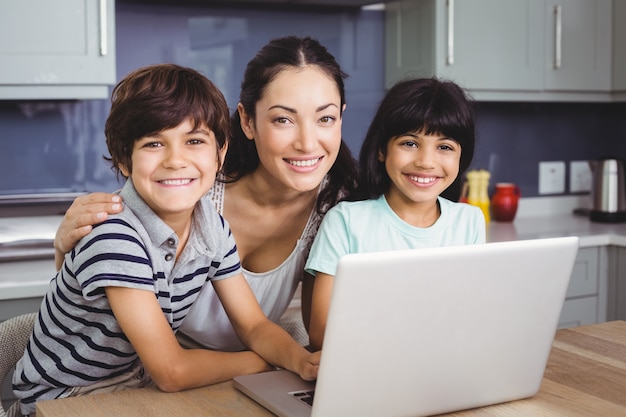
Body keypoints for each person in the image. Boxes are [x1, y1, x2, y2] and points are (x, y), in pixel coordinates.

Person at [13, 64, 319, 416]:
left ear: (220, 154)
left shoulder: (212, 227)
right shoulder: (115, 235)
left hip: (130, 381)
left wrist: (301, 361)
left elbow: (253, 324)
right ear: (125, 160)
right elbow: (171, 372)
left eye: (194, 141)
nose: (176, 160)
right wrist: (258, 364)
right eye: (155, 143)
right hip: (64, 399)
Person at [52, 36, 358, 351]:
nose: (307, 143)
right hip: (151, 373)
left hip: (242, 373)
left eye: (325, 118)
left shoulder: (339, 210)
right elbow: (92, 290)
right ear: (247, 121)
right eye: (283, 119)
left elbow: (322, 331)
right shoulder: (189, 185)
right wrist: (63, 247)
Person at [305, 77, 487, 350]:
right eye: (409, 143)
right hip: (367, 365)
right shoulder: (346, 221)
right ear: (381, 150)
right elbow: (320, 333)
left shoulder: (469, 221)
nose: (426, 162)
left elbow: (473, 319)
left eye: (445, 147)